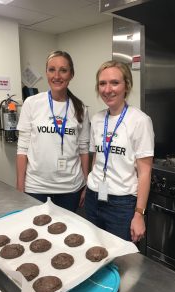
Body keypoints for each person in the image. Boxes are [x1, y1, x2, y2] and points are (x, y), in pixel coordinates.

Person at [84, 60, 154, 242]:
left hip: (122, 204)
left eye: (115, 82)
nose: (108, 89)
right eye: (102, 83)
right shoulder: (97, 119)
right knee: (92, 251)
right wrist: (88, 185)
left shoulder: (140, 121)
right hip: (94, 196)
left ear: (126, 86)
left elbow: (145, 172)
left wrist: (139, 214)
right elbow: (96, 161)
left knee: (122, 261)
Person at [16, 50, 90, 212]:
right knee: (35, 233)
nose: (57, 76)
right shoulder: (32, 103)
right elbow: (22, 150)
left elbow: (83, 150)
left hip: (70, 188)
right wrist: (20, 186)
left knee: (67, 234)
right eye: (52, 69)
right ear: (46, 72)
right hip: (36, 187)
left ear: (71, 74)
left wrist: (85, 184)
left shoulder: (80, 108)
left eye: (63, 70)